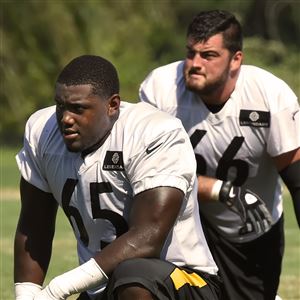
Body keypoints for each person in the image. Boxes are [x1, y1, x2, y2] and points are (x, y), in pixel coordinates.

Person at [13, 55, 222, 300]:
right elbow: (33, 224)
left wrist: (59, 288)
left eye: (78, 109)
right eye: (61, 106)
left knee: (134, 274)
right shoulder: (42, 131)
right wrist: (26, 294)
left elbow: (148, 236)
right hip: (103, 285)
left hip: (183, 281)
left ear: (113, 105)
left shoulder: (155, 133)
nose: (66, 119)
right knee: (123, 279)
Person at [139, 9, 300, 300]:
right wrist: (221, 190)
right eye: (190, 53)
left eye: (208, 55)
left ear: (236, 59)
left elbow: (298, 182)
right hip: (187, 223)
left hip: (251, 231)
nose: (194, 64)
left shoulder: (270, 96)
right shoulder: (161, 88)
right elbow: (149, 174)